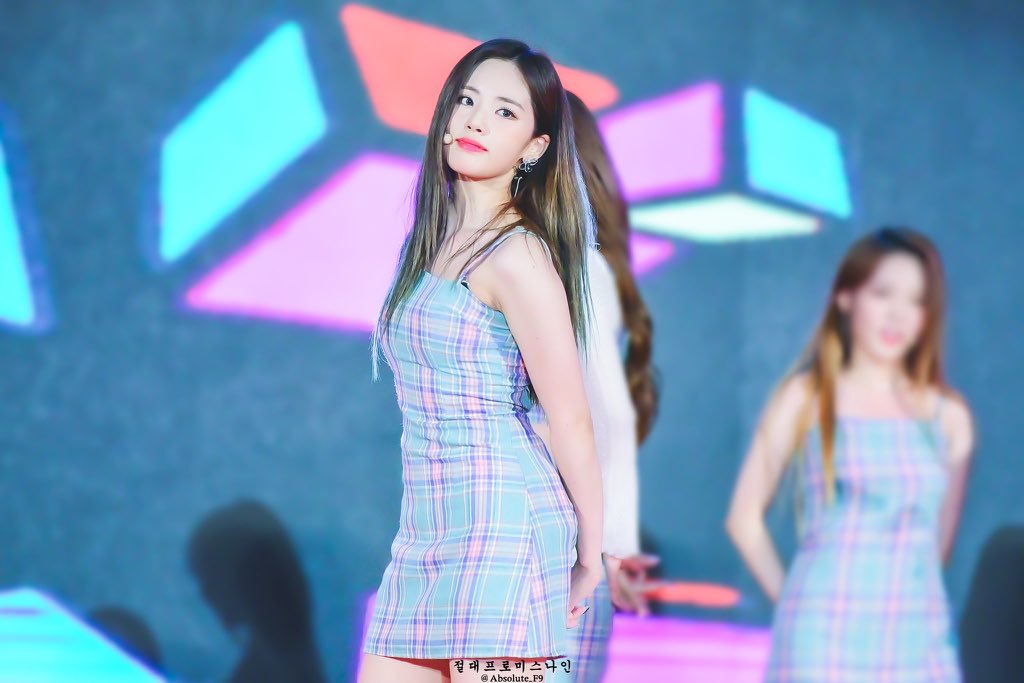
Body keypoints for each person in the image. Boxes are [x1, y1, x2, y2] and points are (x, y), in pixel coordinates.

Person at [360, 39, 604, 683]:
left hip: (504, 527)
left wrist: (590, 551)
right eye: (466, 101)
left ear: (534, 147)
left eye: (504, 112)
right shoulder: (429, 242)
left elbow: (570, 417)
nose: (475, 120)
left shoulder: (518, 254)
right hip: (426, 529)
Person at [726, 228, 975, 681]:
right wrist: (796, 604)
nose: (898, 315)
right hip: (821, 637)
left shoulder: (948, 416)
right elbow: (743, 519)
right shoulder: (806, 397)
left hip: (917, 637)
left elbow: (937, 546)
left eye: (916, 301)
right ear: (846, 297)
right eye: (883, 293)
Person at [532, 92, 661, 682]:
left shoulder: (578, 271)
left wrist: (611, 550)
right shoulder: (536, 264)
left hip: (555, 557)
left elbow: (605, 416)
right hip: (525, 546)